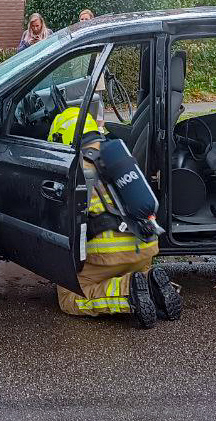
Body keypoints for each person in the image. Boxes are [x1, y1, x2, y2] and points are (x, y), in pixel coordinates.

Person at [48, 107, 181, 328]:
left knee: (69, 298)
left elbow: (65, 226)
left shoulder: (73, 168)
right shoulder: (119, 154)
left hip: (107, 257)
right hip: (144, 250)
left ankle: (127, 292)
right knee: (141, 274)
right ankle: (150, 285)